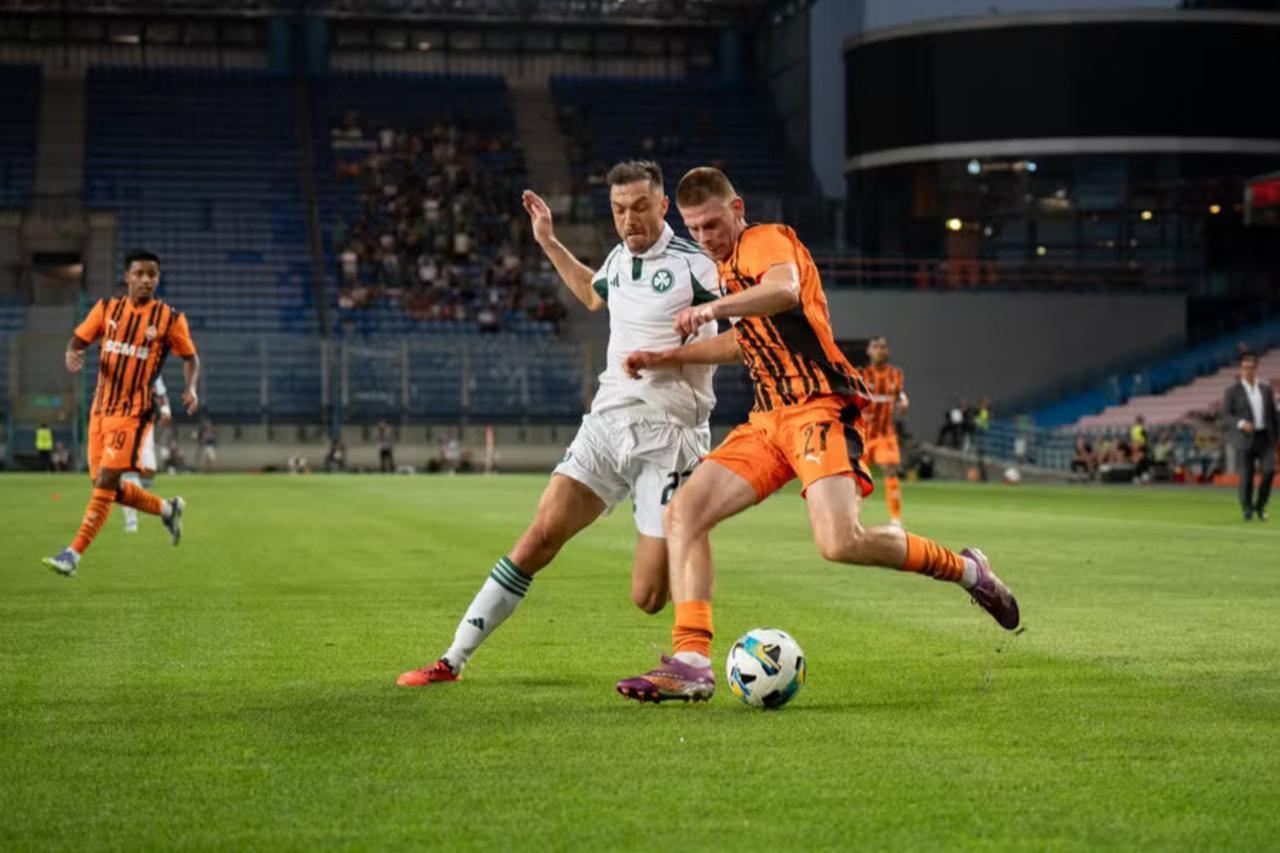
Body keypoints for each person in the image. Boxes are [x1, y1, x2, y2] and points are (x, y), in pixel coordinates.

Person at [615, 167, 1020, 703]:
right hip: (767, 422)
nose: (706, 238)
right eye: (695, 230)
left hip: (816, 411)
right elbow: (745, 344)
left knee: (839, 542)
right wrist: (670, 356)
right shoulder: (723, 267)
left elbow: (782, 292)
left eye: (714, 224)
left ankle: (969, 571)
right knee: (684, 513)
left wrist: (711, 308)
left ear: (737, 210)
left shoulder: (766, 240)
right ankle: (691, 660)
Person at [397, 160, 721, 686]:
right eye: (619, 210)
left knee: (648, 597)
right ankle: (452, 659)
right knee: (539, 536)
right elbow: (593, 293)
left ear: (664, 207)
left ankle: (688, 551)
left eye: (640, 207)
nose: (629, 220)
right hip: (605, 424)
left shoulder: (698, 267)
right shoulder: (618, 259)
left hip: (670, 436)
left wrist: (667, 358)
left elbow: (741, 337)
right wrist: (547, 240)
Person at [42, 249, 199, 577]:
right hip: (100, 410)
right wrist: (72, 353)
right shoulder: (106, 309)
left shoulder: (169, 319)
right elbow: (78, 340)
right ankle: (167, 509)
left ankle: (73, 553)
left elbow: (190, 357)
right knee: (104, 485)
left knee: (108, 480)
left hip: (133, 412)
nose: (146, 280)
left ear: (158, 278)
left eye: (152, 274)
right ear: (127, 276)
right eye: (139, 273)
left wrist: (190, 388)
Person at [1222, 351, 1278, 521]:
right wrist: (1241, 423)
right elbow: (1225, 416)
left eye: (1251, 368)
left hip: (1264, 437)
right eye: (1245, 368)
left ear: (1256, 368)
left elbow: (1274, 415)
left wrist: (1277, 436)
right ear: (1240, 369)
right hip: (1244, 439)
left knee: (1269, 470)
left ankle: (1260, 506)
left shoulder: (1265, 389)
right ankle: (1247, 508)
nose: (1248, 371)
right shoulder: (1232, 391)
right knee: (1247, 476)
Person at [859, 336, 909, 526]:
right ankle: (852, 517)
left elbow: (899, 394)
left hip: (885, 433)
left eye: (883, 347)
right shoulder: (861, 374)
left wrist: (904, 401)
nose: (880, 350)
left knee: (890, 469)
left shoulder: (896, 374)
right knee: (857, 476)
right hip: (863, 433)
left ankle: (895, 520)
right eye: (876, 347)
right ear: (869, 351)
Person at [121, 375, 172, 533]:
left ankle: (164, 509)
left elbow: (162, 394)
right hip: (124, 422)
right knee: (129, 473)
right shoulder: (120, 363)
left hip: (146, 424)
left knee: (147, 478)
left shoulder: (153, 367)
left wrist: (165, 410)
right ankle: (131, 521)